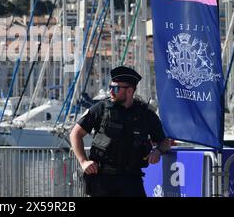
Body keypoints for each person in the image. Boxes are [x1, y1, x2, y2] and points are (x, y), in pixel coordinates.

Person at [70, 66, 171, 197]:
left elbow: (165, 141)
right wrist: (83, 161)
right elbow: (75, 134)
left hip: (131, 180)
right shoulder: (101, 109)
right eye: (110, 87)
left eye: (116, 88)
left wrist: (158, 151)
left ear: (129, 91)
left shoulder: (146, 115)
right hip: (101, 179)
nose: (111, 91)